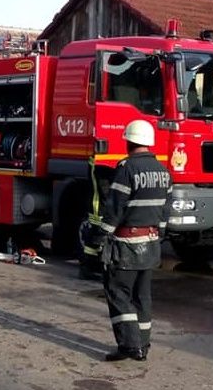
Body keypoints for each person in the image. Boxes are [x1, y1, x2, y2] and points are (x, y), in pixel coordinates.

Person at [84, 119, 172, 362]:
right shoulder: (163, 171)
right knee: (142, 296)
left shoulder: (126, 169)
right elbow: (165, 210)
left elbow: (114, 210)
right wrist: (158, 234)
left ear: (129, 142)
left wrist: (98, 238)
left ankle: (130, 346)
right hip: (150, 245)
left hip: (127, 246)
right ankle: (143, 344)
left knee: (118, 292)